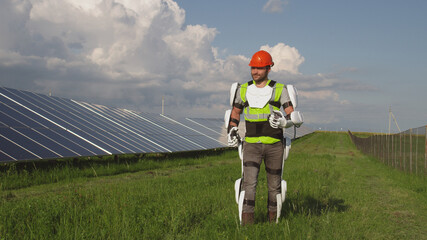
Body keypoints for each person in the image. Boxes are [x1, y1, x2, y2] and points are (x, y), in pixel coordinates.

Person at [226, 50, 302, 225]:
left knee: (274, 186)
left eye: (259, 68)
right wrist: (232, 129)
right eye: (253, 67)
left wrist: (285, 122)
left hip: (274, 145)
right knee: (248, 185)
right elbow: (235, 112)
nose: (255, 72)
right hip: (251, 145)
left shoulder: (280, 89)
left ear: (269, 68)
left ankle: (272, 223)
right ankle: (247, 225)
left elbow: (292, 115)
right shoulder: (242, 89)